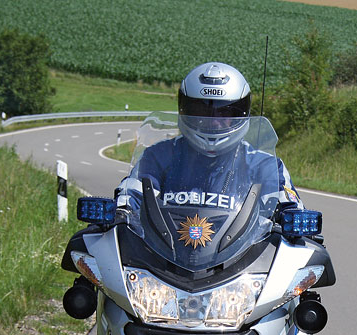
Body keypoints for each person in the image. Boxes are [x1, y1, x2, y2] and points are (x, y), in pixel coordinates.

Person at [116, 62, 303, 221]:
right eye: (202, 111)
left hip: (245, 258)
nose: (213, 121)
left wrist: (290, 216)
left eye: (225, 112)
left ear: (242, 113)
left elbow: (287, 205)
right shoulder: (158, 156)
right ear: (184, 109)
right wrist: (121, 210)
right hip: (162, 257)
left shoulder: (264, 165)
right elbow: (131, 195)